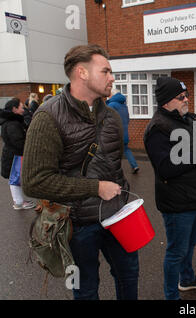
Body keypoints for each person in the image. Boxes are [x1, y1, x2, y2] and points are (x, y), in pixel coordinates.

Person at [22, 44, 139, 300]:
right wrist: (95, 187)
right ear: (82, 73)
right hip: (77, 226)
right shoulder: (47, 117)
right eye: (105, 71)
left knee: (129, 276)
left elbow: (113, 165)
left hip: (117, 216)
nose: (112, 77)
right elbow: (33, 182)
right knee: (85, 289)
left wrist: (124, 199)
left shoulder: (111, 117)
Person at [143, 76, 196, 300]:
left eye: (186, 95)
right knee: (176, 251)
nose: (186, 99)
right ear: (166, 101)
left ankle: (186, 280)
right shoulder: (158, 129)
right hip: (178, 204)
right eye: (181, 96)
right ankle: (171, 296)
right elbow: (167, 168)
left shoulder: (187, 118)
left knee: (189, 244)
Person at [0, 98, 35, 210]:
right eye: (20, 107)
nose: (23, 109)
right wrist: (28, 149)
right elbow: (18, 142)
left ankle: (19, 201)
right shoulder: (12, 124)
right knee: (15, 179)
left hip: (13, 154)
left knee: (15, 178)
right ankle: (19, 202)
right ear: (14, 109)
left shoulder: (11, 121)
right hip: (15, 155)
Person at [107, 88, 139, 174]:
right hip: (124, 133)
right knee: (126, 149)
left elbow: (107, 120)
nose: (108, 96)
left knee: (113, 152)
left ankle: (114, 170)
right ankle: (135, 165)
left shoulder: (111, 105)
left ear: (113, 95)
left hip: (115, 134)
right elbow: (127, 119)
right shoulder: (124, 106)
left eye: (109, 94)